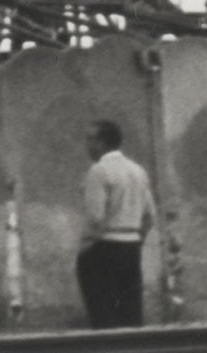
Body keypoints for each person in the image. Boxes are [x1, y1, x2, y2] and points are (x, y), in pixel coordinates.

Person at [77, 118, 157, 328]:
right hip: (131, 247)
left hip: (103, 248)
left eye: (89, 139)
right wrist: (137, 240)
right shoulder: (138, 171)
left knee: (103, 315)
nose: (86, 145)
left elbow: (95, 217)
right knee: (131, 314)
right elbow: (150, 216)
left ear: (101, 142)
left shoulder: (98, 171)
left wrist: (86, 247)